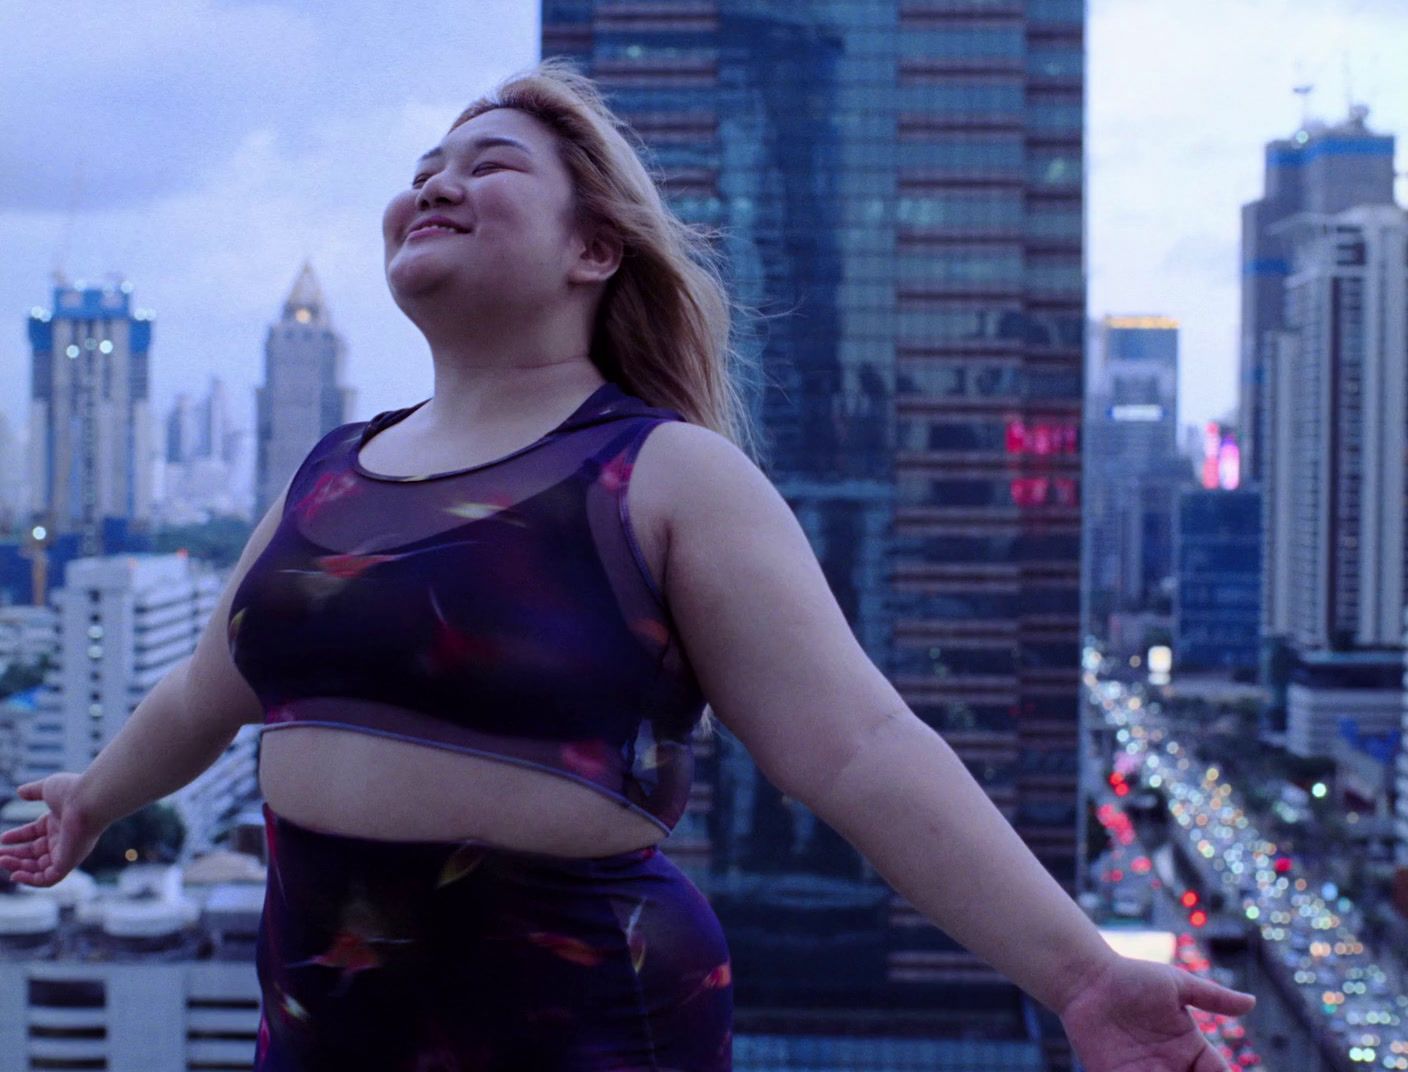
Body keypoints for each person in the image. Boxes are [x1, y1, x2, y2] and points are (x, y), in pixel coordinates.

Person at [0, 57, 1254, 1071]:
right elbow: (203, 692)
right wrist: (93, 798)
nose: (434, 182)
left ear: (593, 251)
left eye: (486, 166)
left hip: (586, 1027)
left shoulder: (665, 474)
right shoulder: (329, 470)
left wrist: (1082, 975)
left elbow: (858, 747)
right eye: (422, 168)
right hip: (321, 1034)